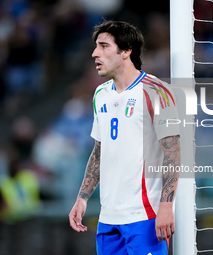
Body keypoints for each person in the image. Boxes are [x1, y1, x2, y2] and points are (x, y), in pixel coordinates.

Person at [69, 20, 181, 255]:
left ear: (126, 51)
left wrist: (166, 206)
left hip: (144, 218)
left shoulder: (156, 91)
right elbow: (99, 152)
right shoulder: (100, 94)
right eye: (95, 46)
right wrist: (82, 198)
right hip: (108, 219)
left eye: (103, 46)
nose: (94, 53)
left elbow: (173, 152)